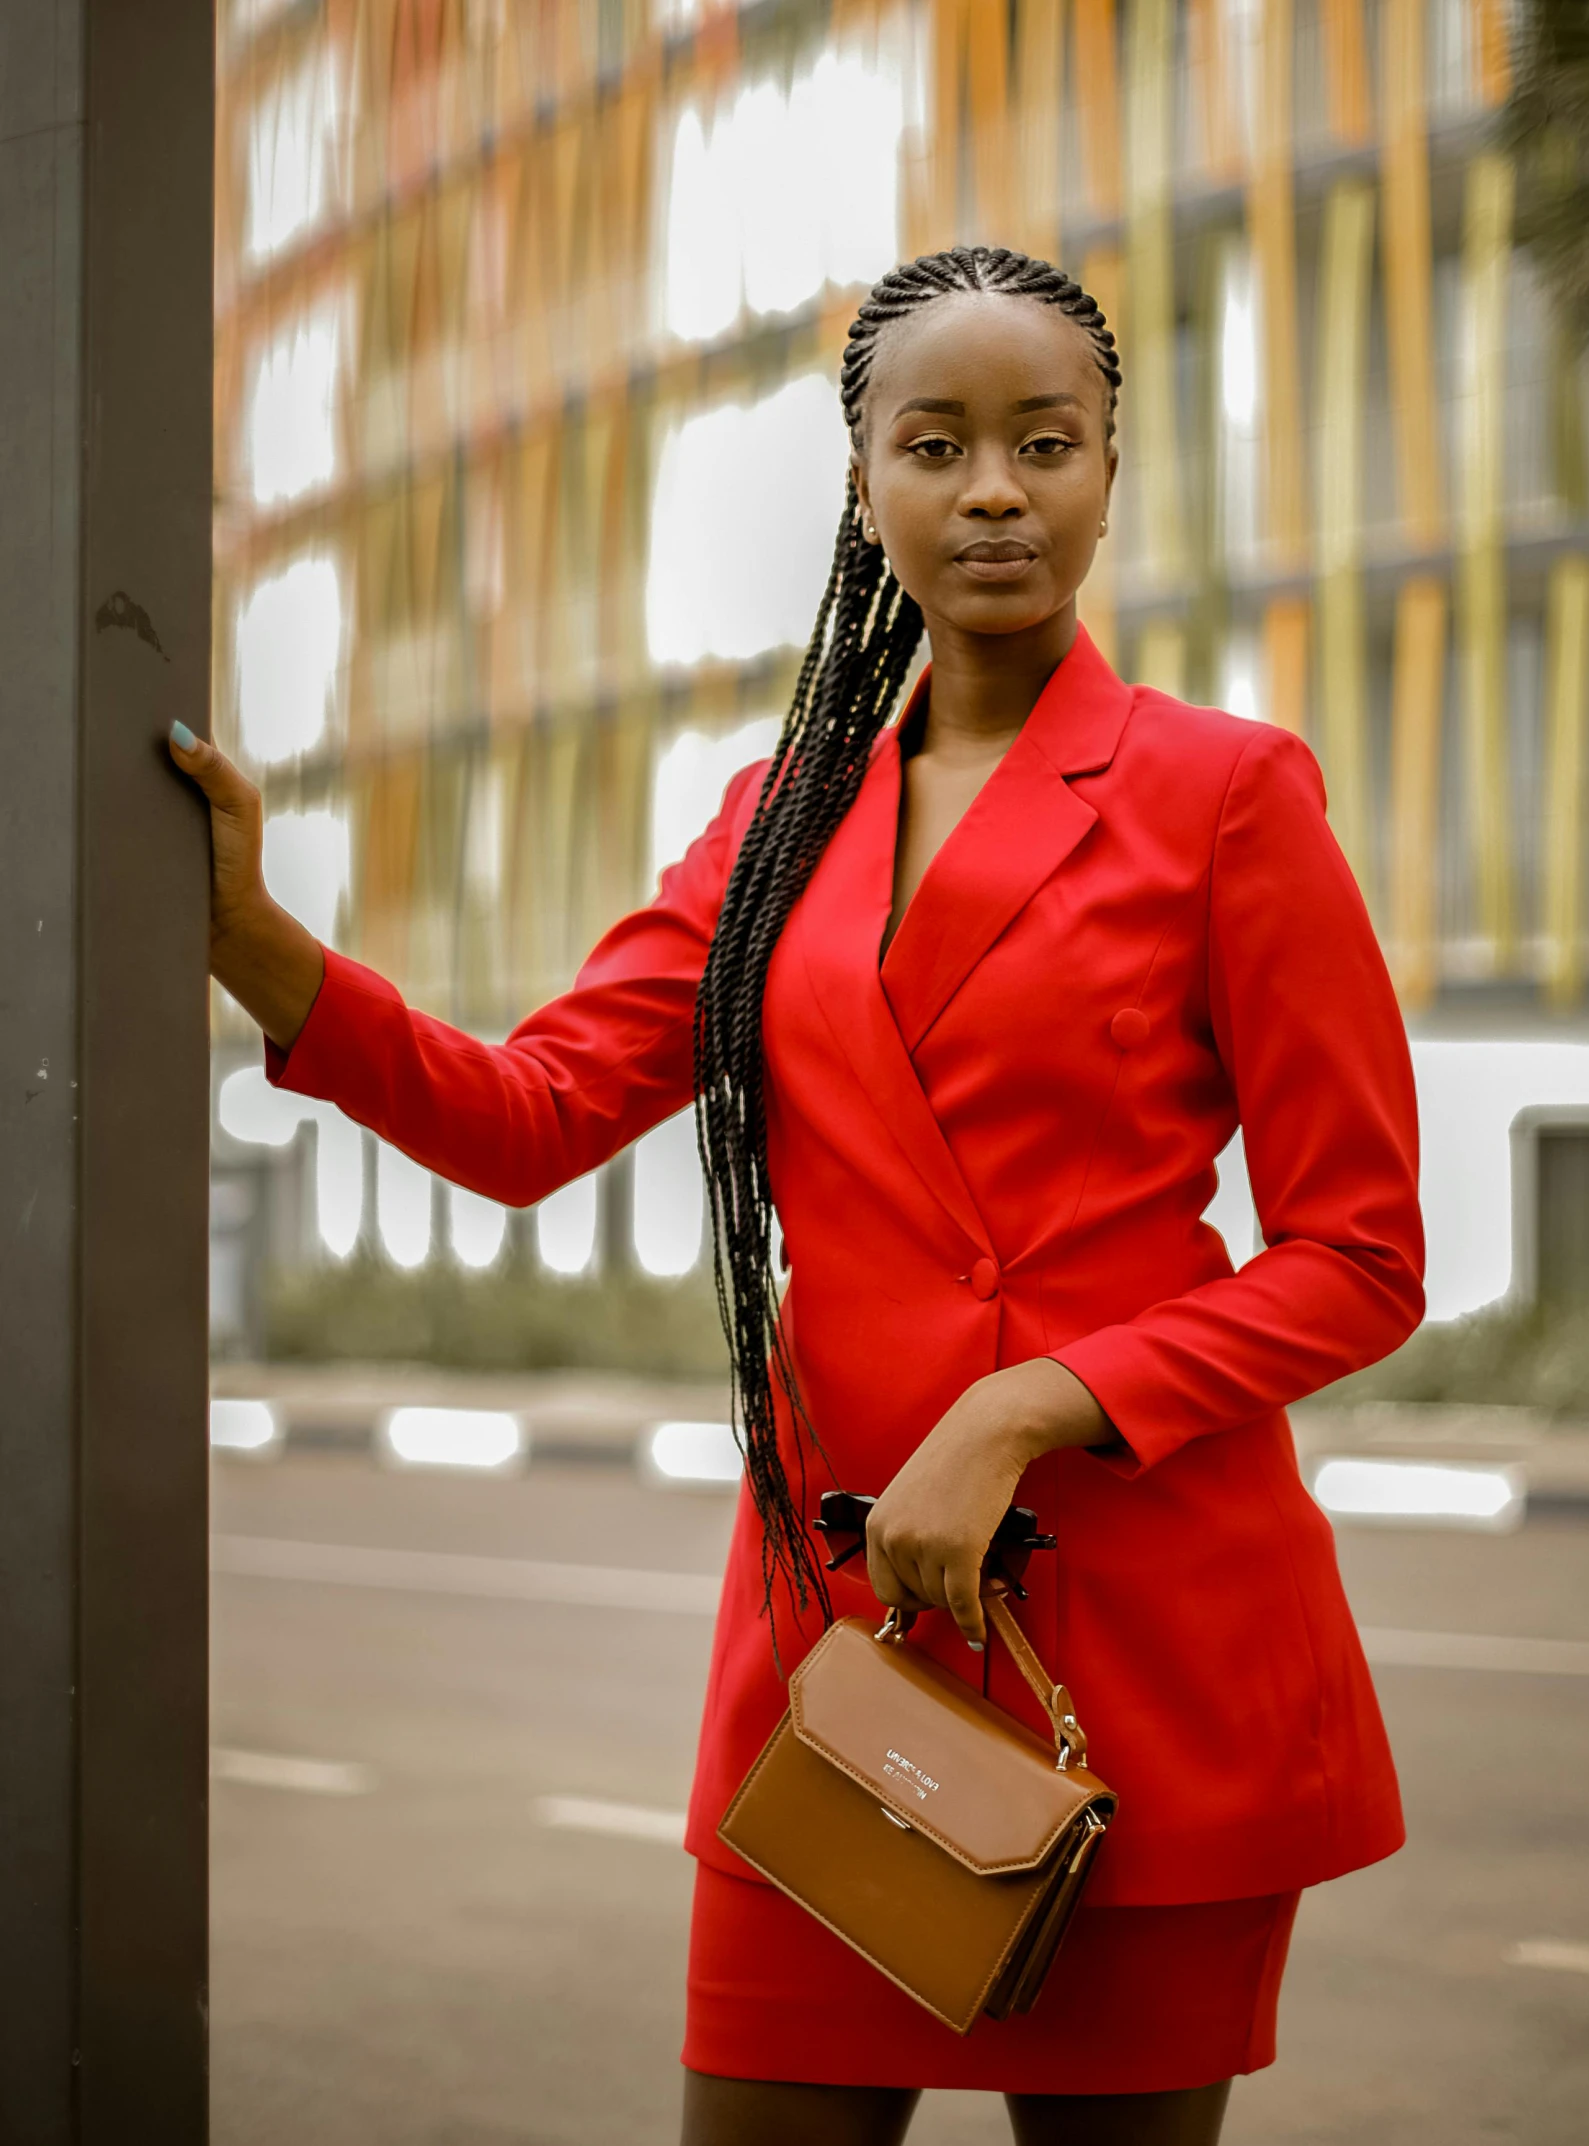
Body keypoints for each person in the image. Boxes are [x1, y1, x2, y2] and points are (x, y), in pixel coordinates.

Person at [174, 246, 1424, 2146]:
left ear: (1109, 474)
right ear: (867, 485)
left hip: (1151, 1653)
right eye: (937, 445)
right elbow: (530, 1114)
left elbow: (1361, 1257)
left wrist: (1026, 1404)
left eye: (1044, 442)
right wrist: (258, 941)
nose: (992, 487)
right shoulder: (780, 821)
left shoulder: (1226, 796)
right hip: (838, 1640)